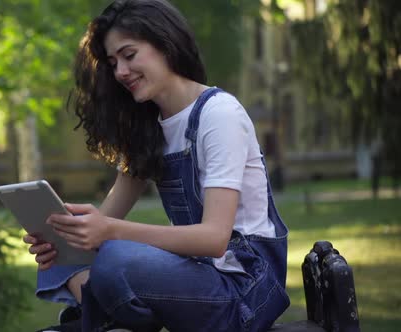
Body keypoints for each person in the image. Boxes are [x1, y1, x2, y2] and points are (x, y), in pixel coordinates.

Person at [23, 0, 290, 331]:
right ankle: (109, 318)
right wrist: (65, 236)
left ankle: (99, 317)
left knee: (115, 258)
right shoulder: (148, 126)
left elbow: (214, 239)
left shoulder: (219, 114)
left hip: (242, 291)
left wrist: (108, 233)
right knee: (65, 245)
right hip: (192, 278)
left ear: (166, 43)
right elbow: (106, 220)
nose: (120, 71)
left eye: (129, 55)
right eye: (113, 62)